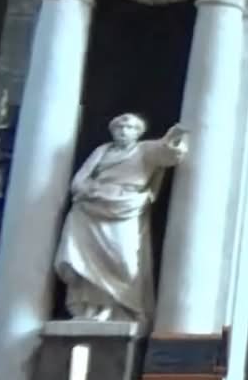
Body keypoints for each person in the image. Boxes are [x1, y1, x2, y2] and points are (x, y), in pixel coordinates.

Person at [54, 113, 189, 324]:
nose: (124, 132)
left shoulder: (144, 149)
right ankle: (94, 309)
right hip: (91, 208)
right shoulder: (103, 151)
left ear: (138, 132)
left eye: (130, 128)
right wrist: (88, 190)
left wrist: (175, 137)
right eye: (120, 128)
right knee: (88, 260)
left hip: (125, 206)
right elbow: (80, 179)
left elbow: (167, 152)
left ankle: (122, 308)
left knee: (124, 261)